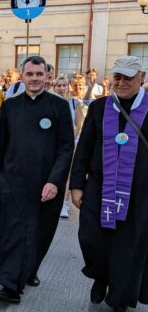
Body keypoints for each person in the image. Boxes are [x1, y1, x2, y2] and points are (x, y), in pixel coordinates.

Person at [0, 55, 74, 303]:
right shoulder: (11, 106)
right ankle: (9, 283)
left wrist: (55, 181)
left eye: (39, 74)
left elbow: (66, 149)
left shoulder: (60, 107)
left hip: (45, 185)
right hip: (12, 181)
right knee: (11, 233)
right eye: (29, 74)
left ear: (47, 77)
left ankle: (29, 269)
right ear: (22, 77)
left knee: (39, 233)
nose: (34, 79)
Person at [70, 56, 148, 312]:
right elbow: (84, 148)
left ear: (142, 77)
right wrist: (77, 185)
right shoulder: (100, 107)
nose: (122, 82)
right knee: (90, 238)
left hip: (138, 194)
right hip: (99, 188)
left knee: (128, 248)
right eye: (118, 76)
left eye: (128, 77)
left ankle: (119, 302)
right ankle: (101, 274)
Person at [52, 75, 85, 219]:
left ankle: (63, 204)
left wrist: (70, 139)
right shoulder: (50, 102)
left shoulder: (74, 103)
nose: (61, 88)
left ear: (68, 87)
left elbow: (79, 123)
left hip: (70, 144)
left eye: (64, 85)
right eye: (58, 85)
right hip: (52, 144)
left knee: (66, 174)